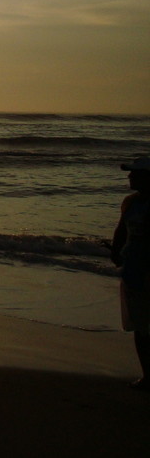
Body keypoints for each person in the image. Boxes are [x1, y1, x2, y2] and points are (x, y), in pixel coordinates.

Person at [111, 155, 150, 390]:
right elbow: (121, 230)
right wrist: (115, 253)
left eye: (134, 173)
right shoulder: (130, 202)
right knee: (139, 326)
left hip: (146, 271)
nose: (129, 176)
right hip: (133, 270)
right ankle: (148, 375)